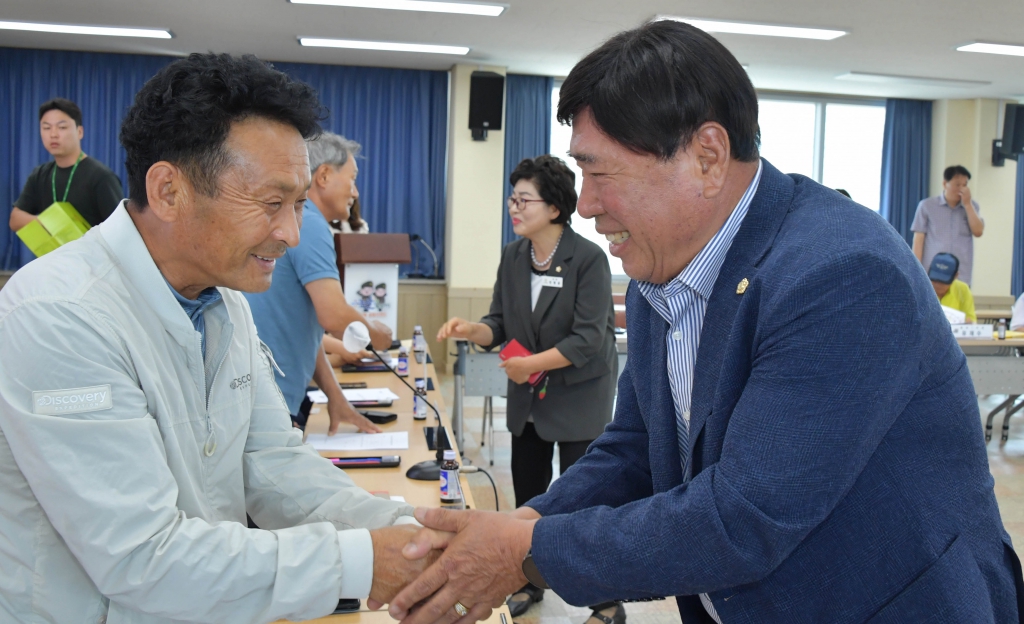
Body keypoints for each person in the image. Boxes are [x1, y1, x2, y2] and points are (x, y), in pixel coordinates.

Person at [389, 20, 1022, 624]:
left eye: (599, 172)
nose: (585, 205)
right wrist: (527, 523)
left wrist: (525, 553)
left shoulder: (842, 275)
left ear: (708, 156)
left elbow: (745, 516)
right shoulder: (659, 271)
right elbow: (636, 450)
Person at [0, 53, 437, 622]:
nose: (289, 232)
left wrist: (407, 530)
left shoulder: (223, 295)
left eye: (300, 204)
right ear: (168, 190)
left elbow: (269, 458)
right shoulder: (60, 315)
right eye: (270, 203)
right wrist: (361, 560)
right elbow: (142, 558)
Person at [436, 154, 618, 623]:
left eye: (524, 200)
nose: (513, 208)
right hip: (529, 397)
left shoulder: (588, 259)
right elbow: (498, 322)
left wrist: (528, 365)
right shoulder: (514, 256)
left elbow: (589, 338)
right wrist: (471, 330)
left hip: (579, 395)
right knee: (529, 496)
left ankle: (605, 600)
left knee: (581, 502)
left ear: (554, 208)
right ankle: (526, 581)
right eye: (511, 199)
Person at [244, 131, 392, 431]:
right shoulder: (309, 223)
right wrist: (381, 336)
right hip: (270, 403)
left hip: (272, 397)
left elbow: (305, 333)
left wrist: (336, 397)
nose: (355, 192)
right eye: (352, 179)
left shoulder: (303, 220)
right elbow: (334, 316)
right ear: (323, 175)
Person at [10, 98, 124, 232]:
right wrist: (47, 221)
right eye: (46, 128)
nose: (53, 134)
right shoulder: (40, 175)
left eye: (62, 127)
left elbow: (120, 228)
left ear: (80, 132)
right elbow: (15, 220)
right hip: (52, 252)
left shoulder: (101, 177)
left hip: (88, 252)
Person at [912, 165, 984, 286]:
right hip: (932, 273)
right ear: (945, 184)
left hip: (961, 275)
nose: (962, 189)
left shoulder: (972, 207)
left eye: (965, 185)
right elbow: (918, 240)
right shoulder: (927, 206)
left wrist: (967, 205)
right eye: (957, 184)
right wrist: (916, 271)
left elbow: (978, 232)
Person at [929, 252, 976, 323]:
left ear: (956, 276)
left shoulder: (963, 289)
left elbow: (971, 320)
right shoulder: (921, 287)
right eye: (934, 280)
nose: (938, 285)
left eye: (943, 281)